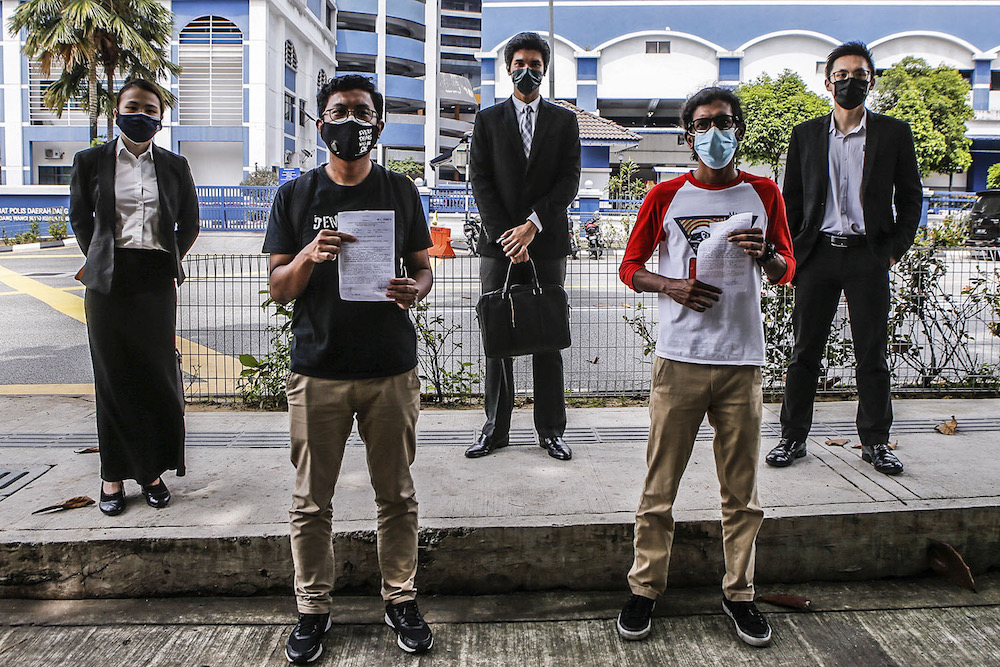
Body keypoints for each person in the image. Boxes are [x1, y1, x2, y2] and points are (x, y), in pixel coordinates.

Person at [262, 74, 434, 663]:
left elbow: (424, 268)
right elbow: (279, 288)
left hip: (390, 368)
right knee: (312, 499)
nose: (350, 122)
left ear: (378, 125)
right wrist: (311, 253)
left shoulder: (400, 191)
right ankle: (313, 608)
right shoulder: (294, 196)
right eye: (339, 112)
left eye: (362, 113)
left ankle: (401, 598)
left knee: (397, 495)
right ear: (320, 124)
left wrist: (418, 288)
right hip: (319, 369)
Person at [616, 87, 795, 647]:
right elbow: (630, 266)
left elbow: (787, 268)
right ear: (687, 135)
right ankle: (645, 588)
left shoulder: (764, 192)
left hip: (741, 360)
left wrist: (765, 253)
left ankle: (739, 593)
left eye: (724, 122)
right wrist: (672, 284)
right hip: (680, 360)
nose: (714, 133)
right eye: (702, 124)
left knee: (741, 493)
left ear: (739, 128)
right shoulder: (665, 195)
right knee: (658, 488)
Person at [766, 41, 921, 476]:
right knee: (804, 352)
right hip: (818, 257)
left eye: (859, 74)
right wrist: (795, 251)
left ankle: (875, 442)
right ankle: (792, 438)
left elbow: (911, 198)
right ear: (828, 80)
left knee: (871, 353)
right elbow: (791, 199)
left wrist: (893, 251)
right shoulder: (806, 134)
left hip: (868, 258)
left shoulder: (893, 133)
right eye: (842, 74)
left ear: (871, 80)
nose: (850, 81)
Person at [69, 79, 199, 517]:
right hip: (108, 281)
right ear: (117, 110)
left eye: (149, 108)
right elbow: (80, 218)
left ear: (160, 118)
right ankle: (112, 475)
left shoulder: (175, 165)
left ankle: (150, 472)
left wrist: (169, 260)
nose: (140, 114)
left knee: (155, 377)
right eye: (132, 106)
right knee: (112, 379)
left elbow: (190, 223)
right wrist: (101, 256)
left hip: (156, 278)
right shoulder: (90, 161)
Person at [466, 31, 581, 461]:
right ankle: (495, 429)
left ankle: (551, 430)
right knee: (498, 336)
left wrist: (532, 226)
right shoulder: (488, 120)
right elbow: (481, 181)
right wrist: (506, 235)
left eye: (535, 63)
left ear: (545, 70)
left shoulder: (564, 121)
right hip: (499, 248)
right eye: (520, 63)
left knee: (547, 336)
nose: (526, 70)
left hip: (547, 243)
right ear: (507, 67)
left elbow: (568, 181)